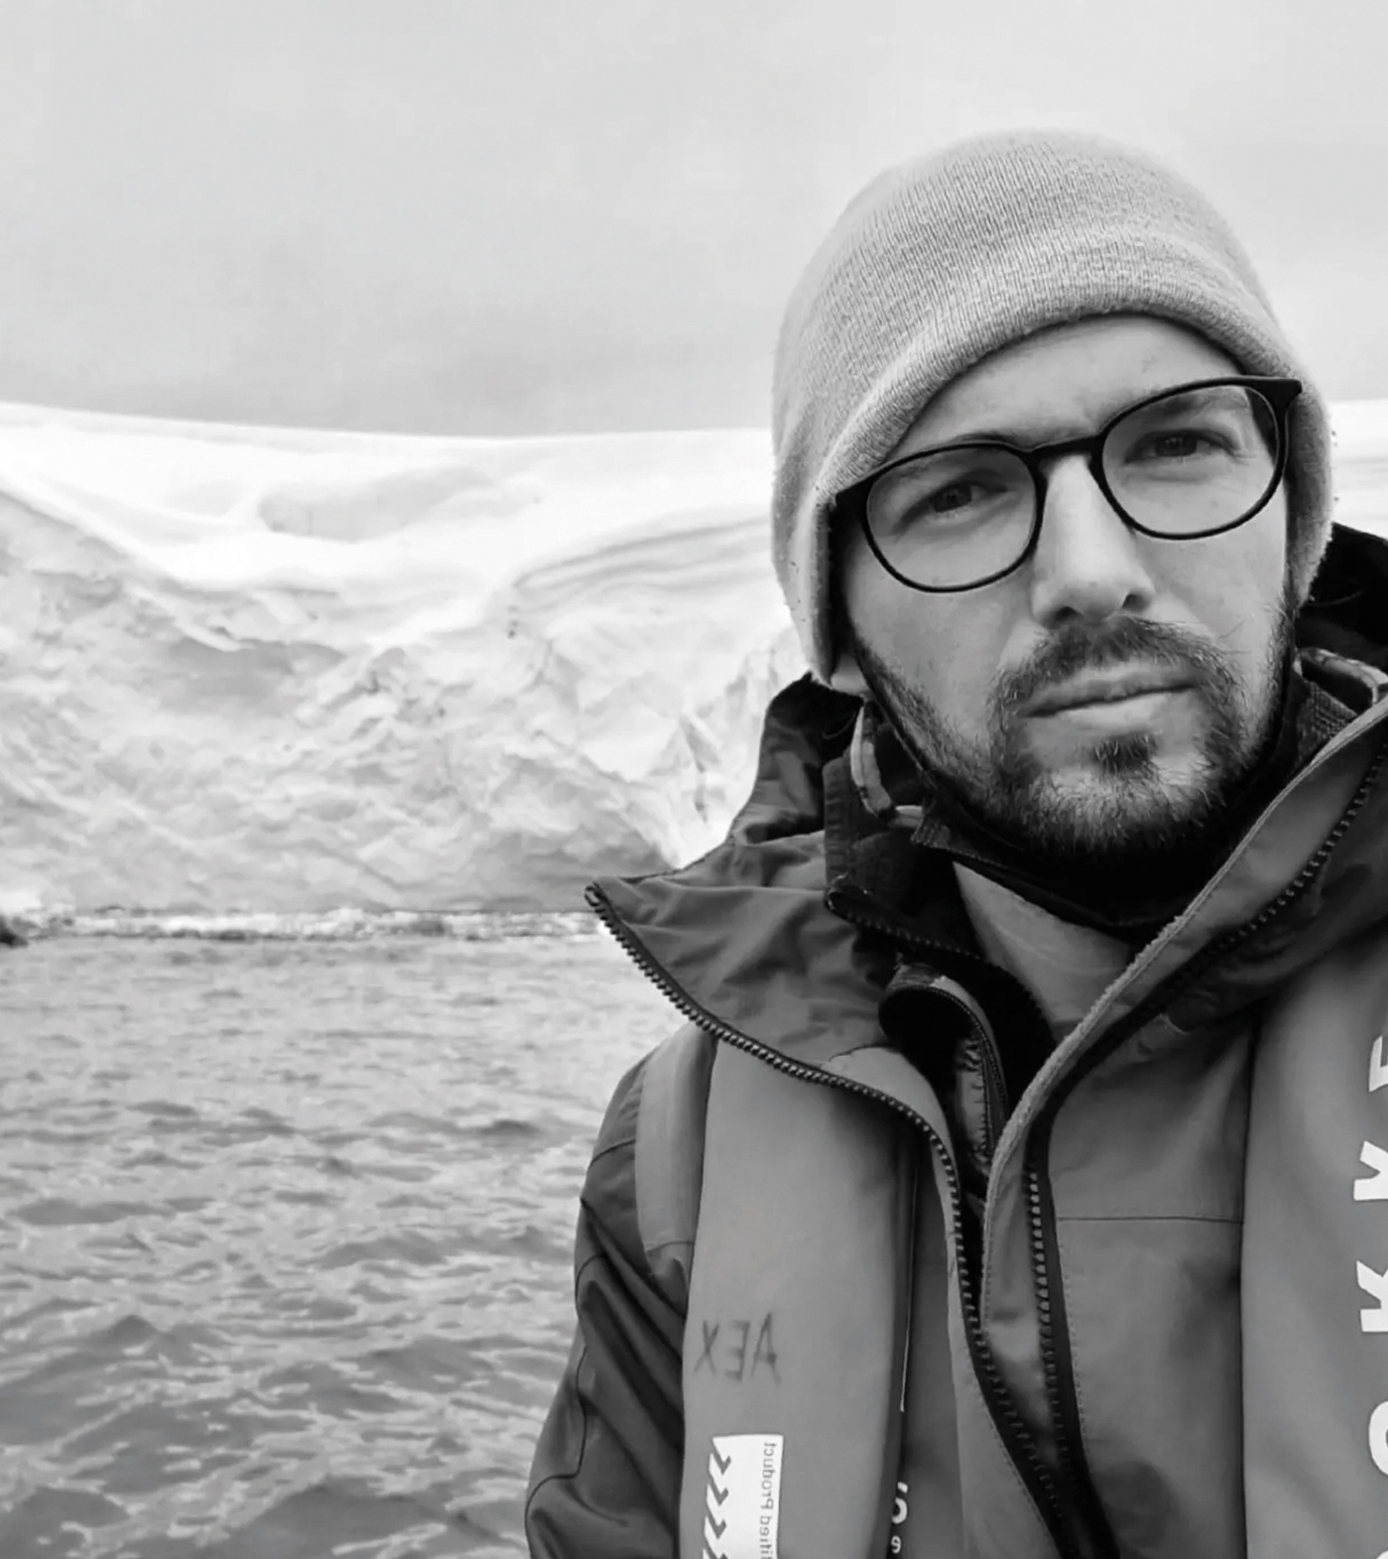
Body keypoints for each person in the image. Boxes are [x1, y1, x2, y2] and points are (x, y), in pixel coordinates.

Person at [522, 128, 1388, 1557]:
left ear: (1292, 519)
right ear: (840, 630)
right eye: (960, 490)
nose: (1092, 572)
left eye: (1178, 444)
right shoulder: (678, 1165)